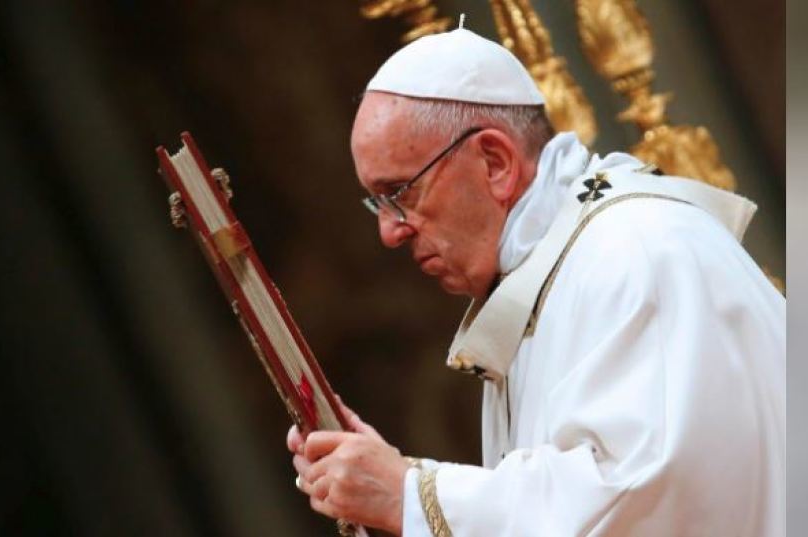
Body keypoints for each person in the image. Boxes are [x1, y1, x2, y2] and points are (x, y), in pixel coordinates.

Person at [287, 27, 785, 536]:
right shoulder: (544, 279)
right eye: (378, 201)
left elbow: (642, 499)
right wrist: (397, 480)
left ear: (496, 162)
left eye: (400, 192)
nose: (389, 230)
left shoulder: (636, 251)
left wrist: (409, 495)